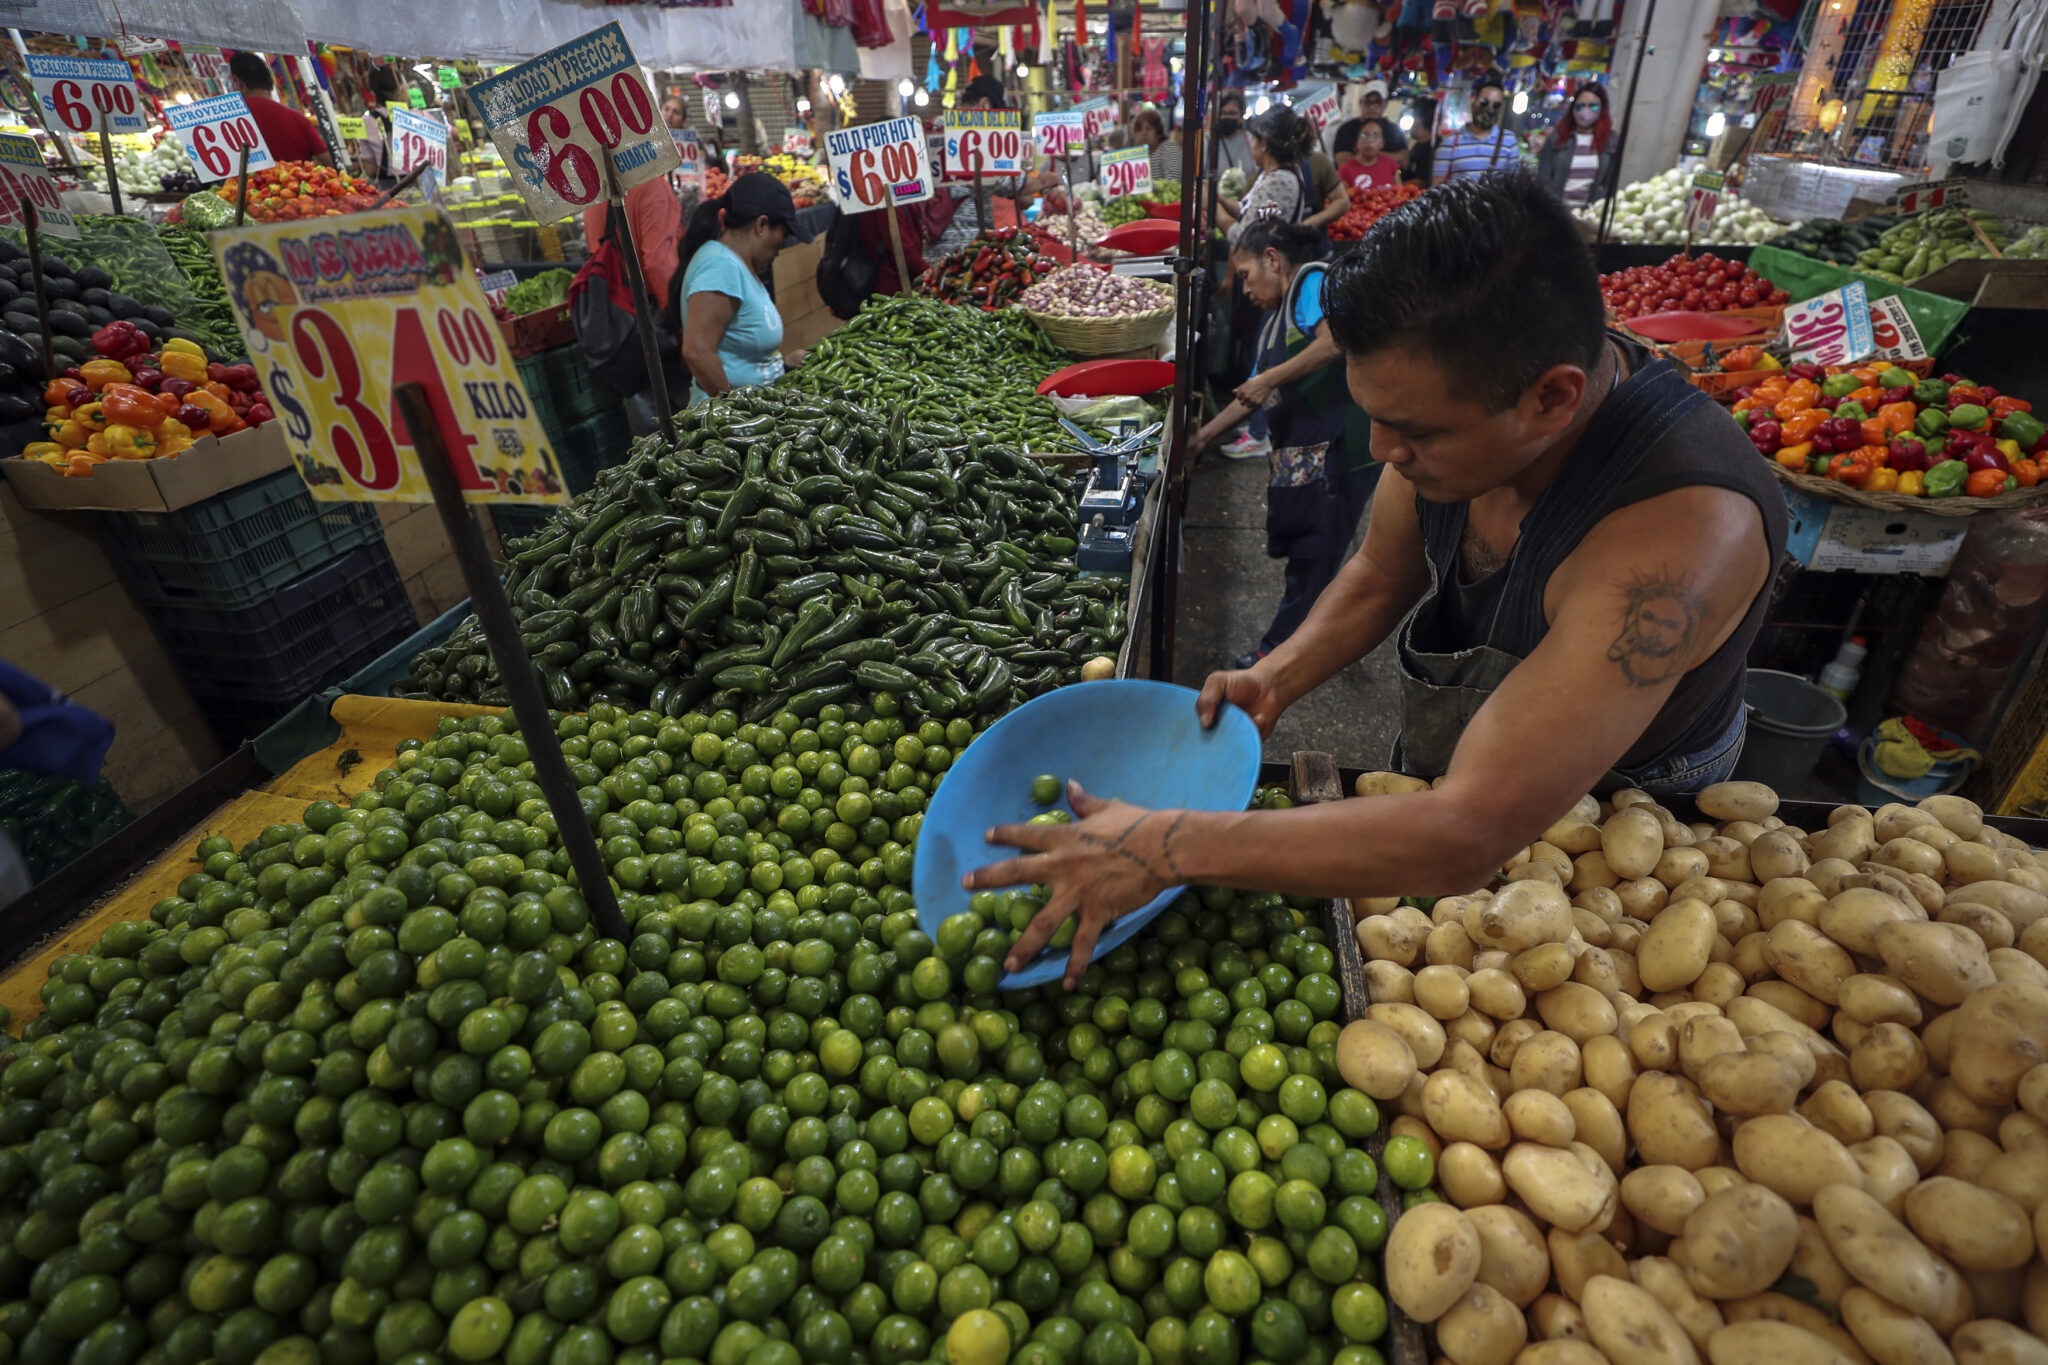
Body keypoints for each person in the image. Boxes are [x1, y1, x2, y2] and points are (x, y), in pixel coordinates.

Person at [962, 171, 1787, 990]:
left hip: (1631, 830)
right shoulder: (1449, 419)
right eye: (1374, 419)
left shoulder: (1678, 533)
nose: (1382, 452)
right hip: (1468, 782)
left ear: (1551, 399)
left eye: (1412, 431)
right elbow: (1378, 571)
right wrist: (1275, 676)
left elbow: (1467, 828)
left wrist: (1170, 844)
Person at [1192, 218, 1377, 669]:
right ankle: (1323, 639)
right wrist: (1201, 438)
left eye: (1246, 275)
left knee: (1315, 555)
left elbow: (1335, 342)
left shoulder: (1312, 282)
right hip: (1304, 453)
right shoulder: (1275, 320)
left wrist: (1269, 379)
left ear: (1272, 259)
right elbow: (1252, 391)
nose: (1245, 289)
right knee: (1305, 546)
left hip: (1338, 449)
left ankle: (1277, 656)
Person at [666, 172, 813, 406]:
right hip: (731, 426)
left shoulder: (737, 263)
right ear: (762, 225)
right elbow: (697, 352)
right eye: (783, 235)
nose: (782, 247)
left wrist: (782, 364)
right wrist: (738, 412)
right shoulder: (720, 266)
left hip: (761, 409)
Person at [1218, 105, 1315, 244]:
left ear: (1264, 143)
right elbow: (1248, 210)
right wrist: (1219, 199)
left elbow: (1243, 237)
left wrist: (1216, 212)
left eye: (1253, 139)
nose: (1251, 145)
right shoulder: (1268, 174)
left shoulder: (1280, 182)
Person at [227, 52, 330, 166]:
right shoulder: (298, 119)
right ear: (272, 83)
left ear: (239, 83)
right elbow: (330, 162)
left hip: (243, 183)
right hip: (299, 182)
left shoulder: (227, 118)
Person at [1537, 82, 1616, 206]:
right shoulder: (1557, 138)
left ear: (1602, 109)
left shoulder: (1610, 141)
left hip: (1588, 216)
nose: (1586, 111)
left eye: (1593, 106)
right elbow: (1543, 180)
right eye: (1580, 106)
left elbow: (1609, 185)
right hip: (1556, 213)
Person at [1433, 74, 1516, 183]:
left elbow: (1515, 183)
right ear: (1473, 103)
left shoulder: (1509, 140)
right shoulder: (1450, 142)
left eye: (1496, 106)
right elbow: (1437, 186)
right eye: (1484, 103)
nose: (1489, 109)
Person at [359, 66, 403, 188]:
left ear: (373, 91)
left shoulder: (367, 121)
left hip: (392, 192)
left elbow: (370, 171)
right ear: (401, 87)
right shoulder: (421, 115)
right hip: (427, 185)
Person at [1354, 79, 1411, 169]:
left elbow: (1404, 160)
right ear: (1361, 102)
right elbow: (1344, 160)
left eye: (1377, 102)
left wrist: (1370, 153)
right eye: (1368, 102)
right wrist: (1391, 157)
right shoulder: (1347, 129)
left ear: (1385, 104)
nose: (1372, 107)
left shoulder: (1394, 130)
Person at [1333, 117, 1399, 191]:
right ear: (1357, 142)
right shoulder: (1344, 170)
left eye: (1375, 135)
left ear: (1382, 143)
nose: (1370, 140)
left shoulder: (1391, 164)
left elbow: (1401, 194)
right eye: (1364, 135)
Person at [1212, 89, 1259, 184]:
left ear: (1241, 116)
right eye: (1223, 113)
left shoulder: (1252, 141)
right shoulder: (1209, 141)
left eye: (1232, 113)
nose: (1227, 117)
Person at [1130, 106, 1182, 184]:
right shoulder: (1137, 154)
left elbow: (1174, 181)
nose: (1143, 133)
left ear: (1158, 131)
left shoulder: (1169, 147)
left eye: (1149, 128)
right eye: (1139, 129)